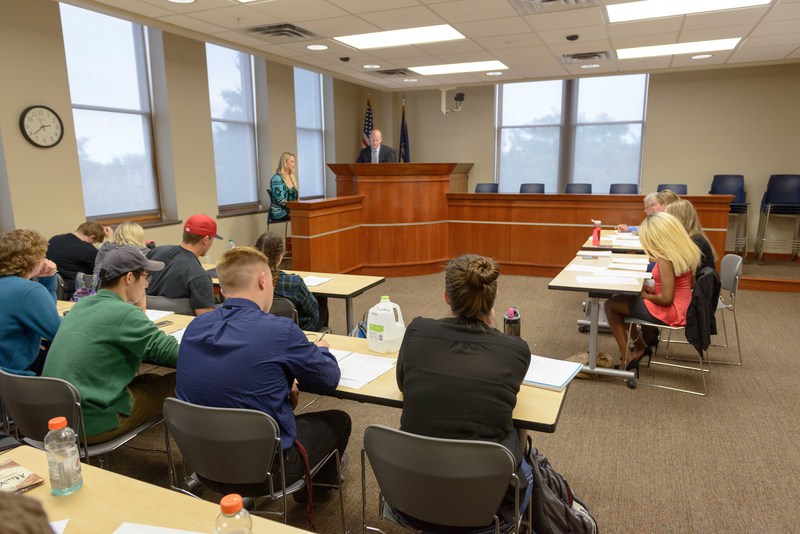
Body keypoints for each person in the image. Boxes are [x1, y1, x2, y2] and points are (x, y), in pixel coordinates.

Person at [176, 246, 350, 498]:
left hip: (202, 461)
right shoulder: (280, 330)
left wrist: (281, 377)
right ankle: (312, 493)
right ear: (262, 279)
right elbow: (327, 379)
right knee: (339, 420)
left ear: (223, 290)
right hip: (264, 472)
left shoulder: (196, 326)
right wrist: (320, 349)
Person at [396, 254, 533, 528]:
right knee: (526, 457)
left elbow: (403, 384)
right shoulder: (514, 349)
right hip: (486, 504)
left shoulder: (417, 330)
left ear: (446, 297)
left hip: (412, 496)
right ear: (494, 298)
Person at [43, 246, 179, 444]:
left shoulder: (83, 304)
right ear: (130, 278)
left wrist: (139, 306)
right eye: (146, 277)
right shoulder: (124, 314)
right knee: (177, 381)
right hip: (88, 423)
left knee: (149, 379)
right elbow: (175, 353)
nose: (147, 286)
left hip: (54, 417)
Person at [604, 212, 701, 372]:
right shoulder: (685, 250)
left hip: (671, 311)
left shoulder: (666, 257)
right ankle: (641, 346)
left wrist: (648, 295)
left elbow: (667, 299)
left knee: (611, 305)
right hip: (684, 307)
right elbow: (689, 283)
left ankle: (628, 359)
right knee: (625, 299)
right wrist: (655, 289)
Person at [0, 229, 61, 376]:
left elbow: (43, 314)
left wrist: (47, 279)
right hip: (14, 379)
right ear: (33, 260)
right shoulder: (28, 290)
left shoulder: (17, 287)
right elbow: (61, 333)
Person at [146, 214, 221, 316]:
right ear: (206, 240)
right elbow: (205, 318)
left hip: (150, 319)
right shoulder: (199, 275)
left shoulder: (155, 252)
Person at [254, 231, 328, 331]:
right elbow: (313, 312)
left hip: (261, 329)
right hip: (295, 331)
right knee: (322, 301)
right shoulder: (294, 283)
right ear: (280, 257)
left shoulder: (248, 281)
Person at [47, 221, 110, 299]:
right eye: (94, 242)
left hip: (51, 289)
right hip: (73, 294)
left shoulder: (54, 239)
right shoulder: (86, 249)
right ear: (91, 237)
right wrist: (110, 239)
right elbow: (108, 263)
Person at [666, 199, 718, 276]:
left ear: (678, 219)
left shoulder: (695, 242)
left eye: (668, 217)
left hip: (697, 286)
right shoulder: (691, 237)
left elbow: (680, 273)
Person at [269, 152, 299, 222]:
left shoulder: (291, 177)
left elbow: (296, 199)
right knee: (303, 214)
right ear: (285, 162)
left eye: (294, 162)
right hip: (279, 212)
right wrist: (296, 208)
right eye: (292, 162)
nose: (294, 164)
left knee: (306, 212)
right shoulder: (277, 178)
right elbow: (281, 201)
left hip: (290, 209)